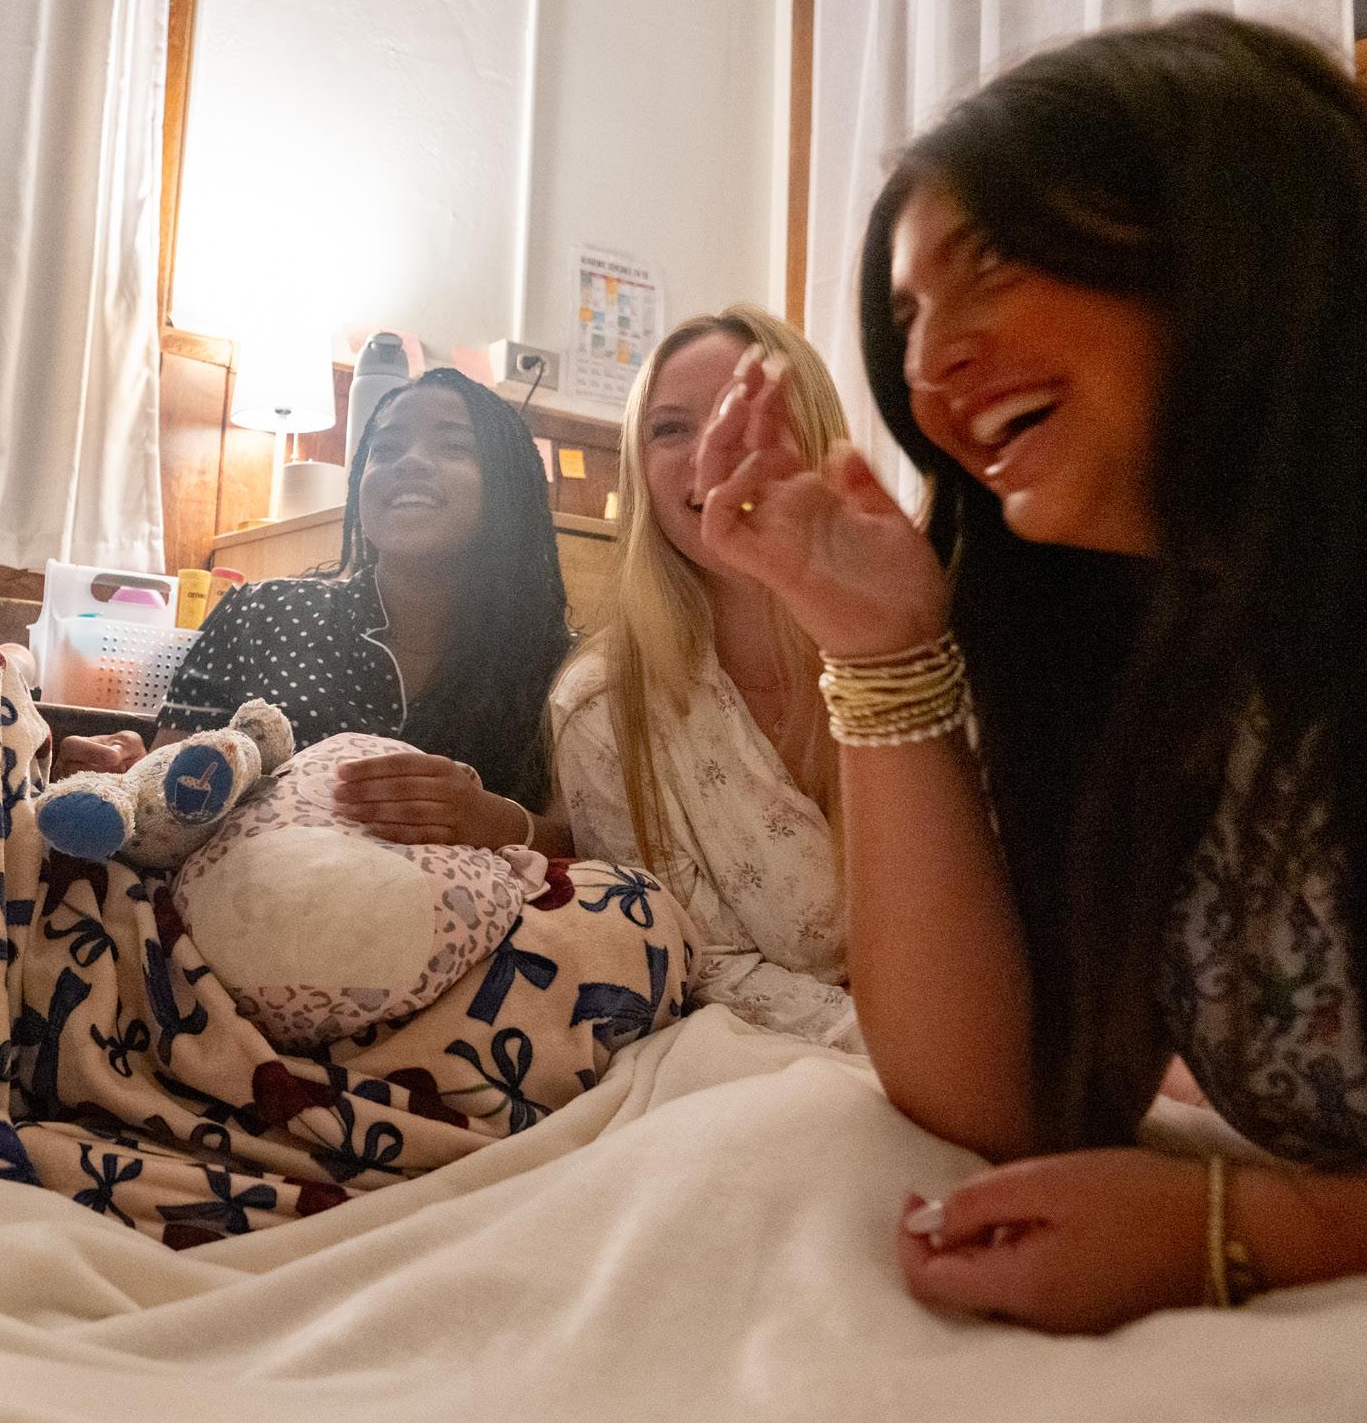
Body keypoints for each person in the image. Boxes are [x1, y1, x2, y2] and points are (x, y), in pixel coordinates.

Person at [695, 13, 1367, 1333]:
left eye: (992, 260)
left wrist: (1254, 1230)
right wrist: (880, 648)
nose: (928, 367)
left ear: (1247, 223)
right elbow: (1001, 1100)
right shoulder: (1164, 640)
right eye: (906, 319)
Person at [552, 306, 857, 1047]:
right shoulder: (602, 704)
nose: (709, 455)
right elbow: (700, 961)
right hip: (774, 1061)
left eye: (740, 412)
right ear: (637, 468)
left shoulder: (916, 641)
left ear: (817, 435)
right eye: (669, 429)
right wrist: (894, 1043)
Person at [144, 367, 572, 850]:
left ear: (510, 487)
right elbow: (153, 802)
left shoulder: (560, 668)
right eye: (385, 449)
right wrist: (119, 769)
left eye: (454, 447)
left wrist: (497, 821)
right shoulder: (259, 613)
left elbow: (593, 845)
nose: (410, 461)